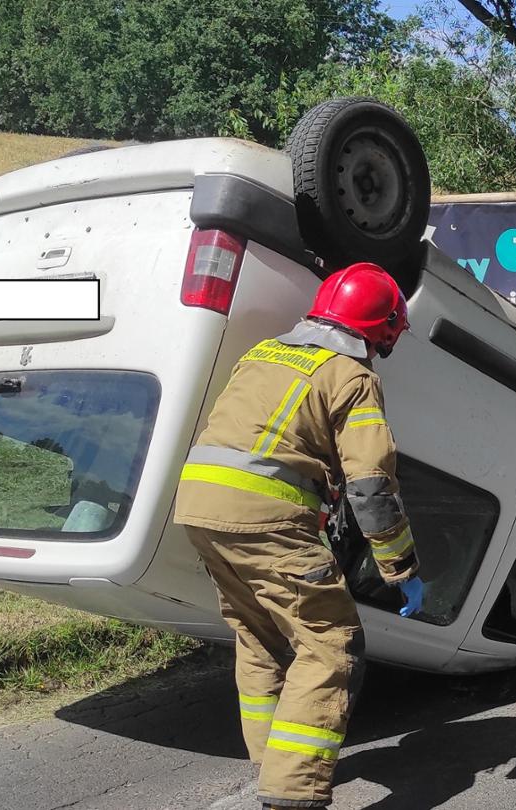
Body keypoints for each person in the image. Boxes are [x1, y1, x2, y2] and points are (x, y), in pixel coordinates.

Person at [173, 262, 424, 810]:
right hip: (265, 516)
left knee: (260, 637)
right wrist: (400, 569)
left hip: (198, 506)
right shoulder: (352, 377)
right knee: (331, 645)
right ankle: (292, 796)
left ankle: (273, 769)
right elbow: (372, 483)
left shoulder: (263, 353)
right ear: (381, 327)